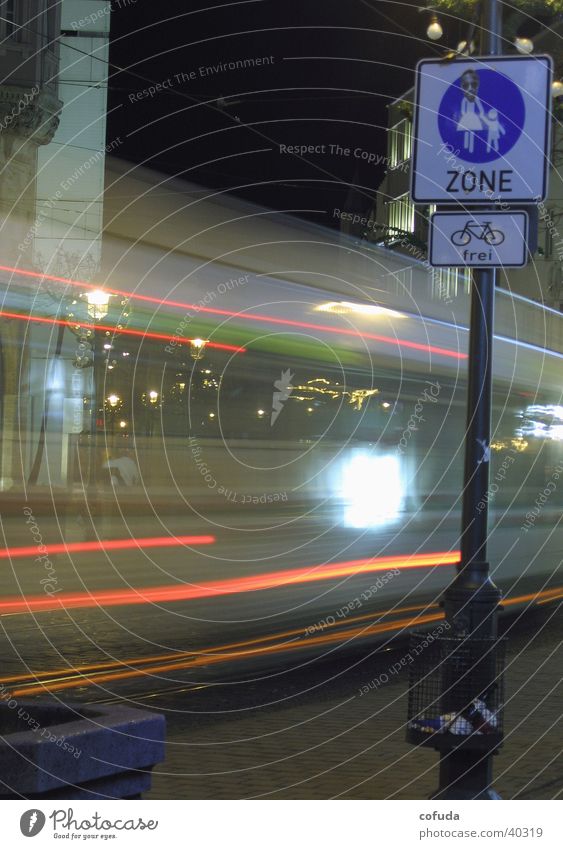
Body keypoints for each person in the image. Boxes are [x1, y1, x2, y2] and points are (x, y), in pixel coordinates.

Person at [456, 69, 485, 154]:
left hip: (474, 118)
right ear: (461, 87)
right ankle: (465, 149)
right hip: (467, 118)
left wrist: (481, 115)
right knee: (466, 132)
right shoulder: (464, 100)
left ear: (478, 86)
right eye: (465, 86)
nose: (470, 89)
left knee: (473, 133)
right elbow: (462, 110)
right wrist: (464, 116)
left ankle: (471, 150)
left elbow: (481, 109)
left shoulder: (477, 99)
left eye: (474, 85)